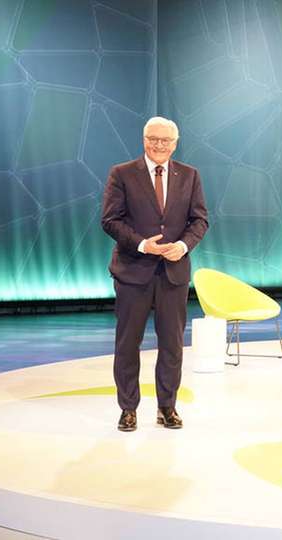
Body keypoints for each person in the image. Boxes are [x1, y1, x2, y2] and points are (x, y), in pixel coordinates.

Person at [101, 116, 208, 432]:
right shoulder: (121, 174)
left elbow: (199, 220)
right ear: (144, 139)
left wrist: (184, 246)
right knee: (127, 344)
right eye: (154, 139)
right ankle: (128, 409)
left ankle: (167, 407)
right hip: (133, 272)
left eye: (166, 140)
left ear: (175, 143)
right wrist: (143, 245)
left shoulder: (190, 175)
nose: (159, 145)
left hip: (173, 274)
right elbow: (110, 220)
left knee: (173, 345)